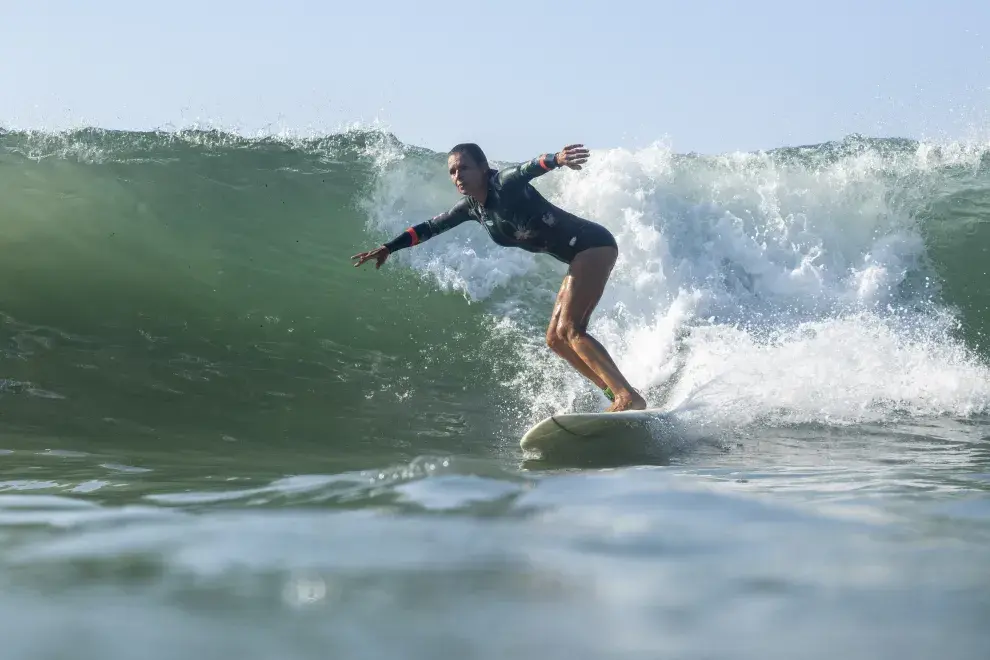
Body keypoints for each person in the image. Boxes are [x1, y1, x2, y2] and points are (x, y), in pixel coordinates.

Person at [351, 143, 647, 412]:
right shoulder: (473, 209)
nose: (457, 175)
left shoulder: (503, 184)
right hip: (578, 255)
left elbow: (527, 168)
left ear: (482, 167)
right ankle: (615, 394)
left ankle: (627, 397)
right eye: (452, 171)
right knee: (555, 339)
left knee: (571, 329)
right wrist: (390, 247)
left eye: (463, 167)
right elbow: (430, 226)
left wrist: (557, 159)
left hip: (593, 246)